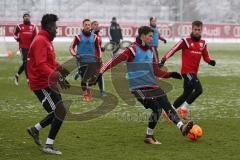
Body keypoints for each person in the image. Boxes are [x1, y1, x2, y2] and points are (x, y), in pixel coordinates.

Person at [99, 26, 193, 144]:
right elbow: (115, 60)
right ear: (142, 36)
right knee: (157, 108)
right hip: (138, 88)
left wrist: (170, 74)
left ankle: (181, 127)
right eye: (150, 36)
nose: (152, 38)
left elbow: (156, 71)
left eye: (152, 36)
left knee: (166, 104)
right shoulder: (132, 49)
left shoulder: (151, 51)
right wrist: (100, 71)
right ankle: (149, 136)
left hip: (152, 85)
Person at [27, 14, 70, 155]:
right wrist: (58, 76)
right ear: (49, 26)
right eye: (55, 27)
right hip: (41, 84)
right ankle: (48, 146)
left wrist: (62, 70)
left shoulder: (46, 40)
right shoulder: (41, 41)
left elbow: (50, 63)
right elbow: (41, 65)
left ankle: (35, 130)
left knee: (60, 111)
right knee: (59, 112)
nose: (57, 29)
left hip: (49, 82)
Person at [159, 20, 216, 120]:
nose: (197, 31)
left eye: (199, 30)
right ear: (192, 29)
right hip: (187, 72)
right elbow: (173, 50)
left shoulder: (203, 43)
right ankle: (184, 109)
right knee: (199, 90)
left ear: (201, 30)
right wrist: (163, 59)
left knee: (186, 94)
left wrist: (210, 61)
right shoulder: (185, 41)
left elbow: (206, 57)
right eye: (195, 29)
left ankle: (169, 112)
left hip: (194, 72)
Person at [69, 19, 102, 101]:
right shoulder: (78, 37)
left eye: (88, 25)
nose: (87, 26)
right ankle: (86, 94)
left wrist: (99, 57)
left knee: (96, 77)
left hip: (93, 61)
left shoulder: (94, 37)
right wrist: (75, 55)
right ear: (83, 26)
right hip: (82, 61)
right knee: (84, 78)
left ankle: (90, 89)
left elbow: (98, 48)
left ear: (90, 26)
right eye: (86, 25)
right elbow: (71, 48)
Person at [13, 12, 37, 85]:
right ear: (23, 18)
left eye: (28, 16)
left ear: (30, 18)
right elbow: (14, 34)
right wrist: (17, 38)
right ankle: (28, 80)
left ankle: (17, 75)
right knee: (26, 62)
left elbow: (36, 37)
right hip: (23, 47)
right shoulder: (19, 26)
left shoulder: (33, 26)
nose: (26, 18)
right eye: (25, 17)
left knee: (27, 63)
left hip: (31, 48)